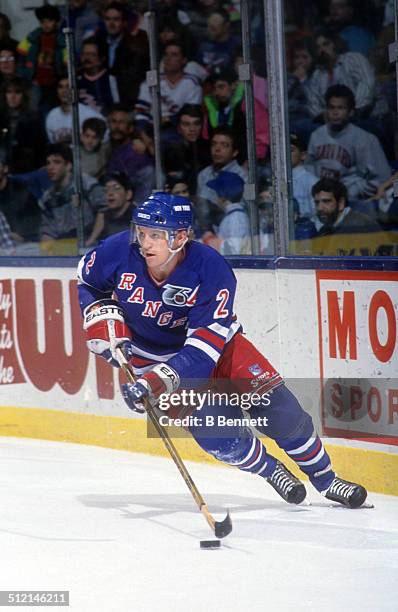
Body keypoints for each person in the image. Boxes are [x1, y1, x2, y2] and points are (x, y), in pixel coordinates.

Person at [77, 192, 368, 509]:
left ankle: (326, 479)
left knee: (282, 411)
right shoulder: (119, 250)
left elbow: (203, 352)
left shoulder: (210, 268)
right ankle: (272, 470)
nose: (145, 243)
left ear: (181, 236)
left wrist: (155, 383)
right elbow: (87, 282)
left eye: (156, 235)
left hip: (220, 348)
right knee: (217, 434)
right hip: (148, 360)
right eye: (143, 233)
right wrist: (99, 318)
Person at [305, 85, 391, 202]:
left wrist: (353, 192)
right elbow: (308, 169)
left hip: (351, 201)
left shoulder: (365, 139)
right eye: (331, 107)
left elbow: (382, 178)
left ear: (351, 112)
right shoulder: (316, 135)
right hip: (321, 198)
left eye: (341, 108)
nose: (335, 112)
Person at [40, 143, 106, 247]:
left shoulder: (85, 184)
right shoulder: (47, 198)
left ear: (68, 165)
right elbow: (48, 230)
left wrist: (91, 241)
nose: (50, 167)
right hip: (63, 248)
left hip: (92, 244)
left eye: (56, 162)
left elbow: (103, 211)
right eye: (48, 163)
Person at [46, 75, 107, 144]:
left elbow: (106, 135)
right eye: (60, 87)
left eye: (68, 87)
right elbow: (53, 142)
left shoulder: (89, 114)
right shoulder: (51, 116)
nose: (64, 91)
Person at [201, 170, 250, 254]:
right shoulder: (232, 216)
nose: (215, 199)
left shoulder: (236, 218)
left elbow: (234, 250)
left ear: (222, 197)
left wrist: (210, 240)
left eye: (217, 194)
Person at [312, 178, 381, 235]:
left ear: (341, 203)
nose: (319, 208)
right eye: (317, 202)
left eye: (326, 201)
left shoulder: (361, 227)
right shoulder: (324, 230)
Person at [100, 171, 134, 238]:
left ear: (128, 194)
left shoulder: (138, 218)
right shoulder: (105, 215)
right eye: (106, 190)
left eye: (116, 188)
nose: (110, 193)